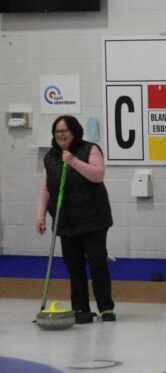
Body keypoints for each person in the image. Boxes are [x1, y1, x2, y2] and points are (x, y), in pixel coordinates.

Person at [35, 116, 115, 324]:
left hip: (93, 218)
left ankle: (106, 308)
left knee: (97, 264)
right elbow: (46, 189)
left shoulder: (90, 149)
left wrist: (73, 162)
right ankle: (80, 308)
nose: (60, 135)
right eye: (57, 132)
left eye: (64, 131)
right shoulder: (50, 157)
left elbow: (98, 175)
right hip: (65, 220)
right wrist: (40, 215)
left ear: (74, 131)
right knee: (74, 266)